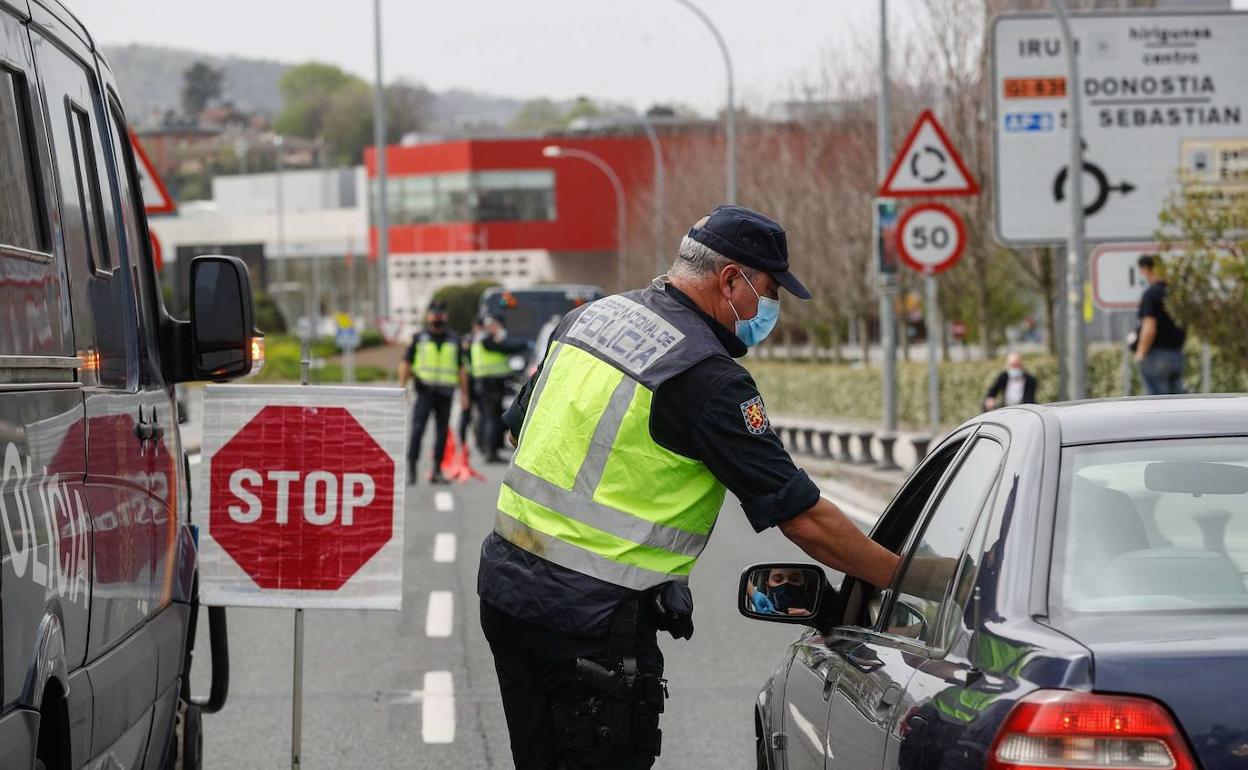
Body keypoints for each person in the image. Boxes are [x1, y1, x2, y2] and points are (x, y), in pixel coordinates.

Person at [477, 205, 904, 769]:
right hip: (591, 627)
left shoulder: (590, 318)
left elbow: (518, 429)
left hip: (507, 593)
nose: (769, 311)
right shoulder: (705, 376)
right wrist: (907, 581)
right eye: (769, 291)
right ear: (731, 280)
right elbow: (804, 519)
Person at [398, 301, 467, 485]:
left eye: (440, 313)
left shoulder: (454, 339)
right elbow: (406, 363)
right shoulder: (419, 338)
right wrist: (402, 387)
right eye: (434, 313)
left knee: (442, 433)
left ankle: (437, 470)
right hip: (424, 392)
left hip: (446, 393)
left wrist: (465, 394)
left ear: (446, 316)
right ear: (428, 316)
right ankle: (412, 470)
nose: (437, 316)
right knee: (417, 430)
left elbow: (461, 368)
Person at [471, 314, 528, 463]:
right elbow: (505, 348)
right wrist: (525, 344)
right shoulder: (486, 340)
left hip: (487, 382)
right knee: (492, 418)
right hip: (490, 382)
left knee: (489, 417)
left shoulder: (480, 339)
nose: (497, 328)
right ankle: (490, 452)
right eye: (494, 325)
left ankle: (489, 449)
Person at [1134, 253, 1186, 395]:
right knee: (1177, 406)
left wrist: (1140, 353)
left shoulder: (1151, 294)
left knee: (1157, 406)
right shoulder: (1175, 293)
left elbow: (1149, 328)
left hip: (1156, 355)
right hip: (1176, 354)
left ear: (1146, 269)